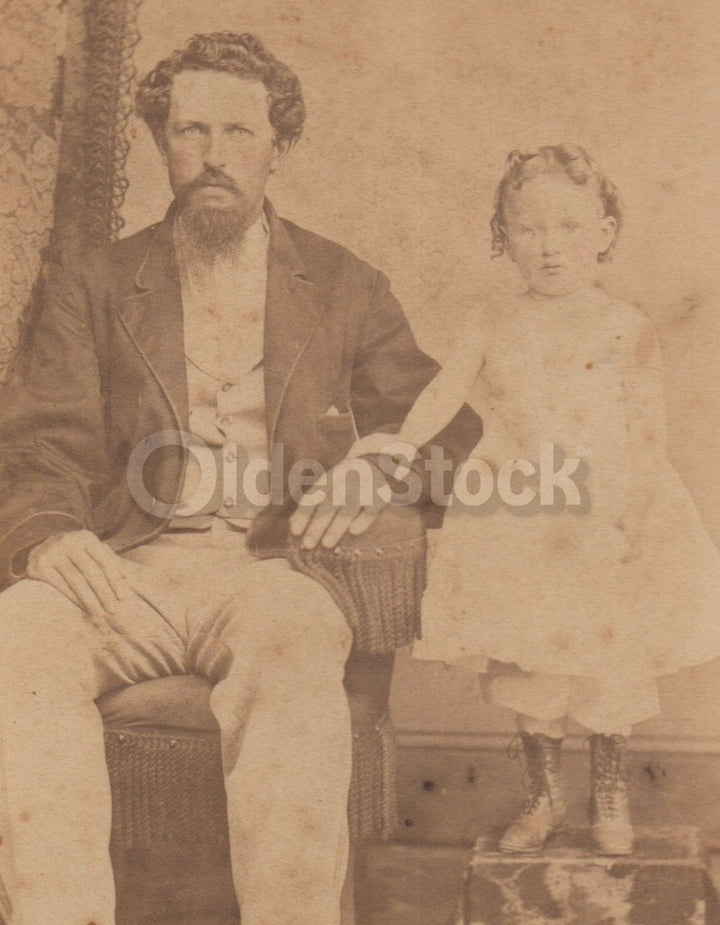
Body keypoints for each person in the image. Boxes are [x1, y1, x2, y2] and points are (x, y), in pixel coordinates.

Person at [0, 32, 480, 925]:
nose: (214, 157)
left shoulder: (343, 284)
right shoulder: (96, 285)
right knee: (19, 627)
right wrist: (51, 532)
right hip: (130, 569)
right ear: (159, 141)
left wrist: (380, 463)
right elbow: (37, 441)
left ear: (280, 144)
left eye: (238, 132)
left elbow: (448, 422)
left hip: (270, 569)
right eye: (190, 132)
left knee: (297, 630)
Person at [348, 144, 720, 856]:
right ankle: (543, 797)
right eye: (530, 230)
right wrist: (398, 444)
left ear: (605, 231)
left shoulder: (623, 325)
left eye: (571, 228)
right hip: (520, 507)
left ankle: (610, 792)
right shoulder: (489, 319)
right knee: (530, 659)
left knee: (608, 656)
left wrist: (635, 511)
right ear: (505, 237)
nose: (551, 247)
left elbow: (649, 429)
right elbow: (442, 391)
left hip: (607, 504)